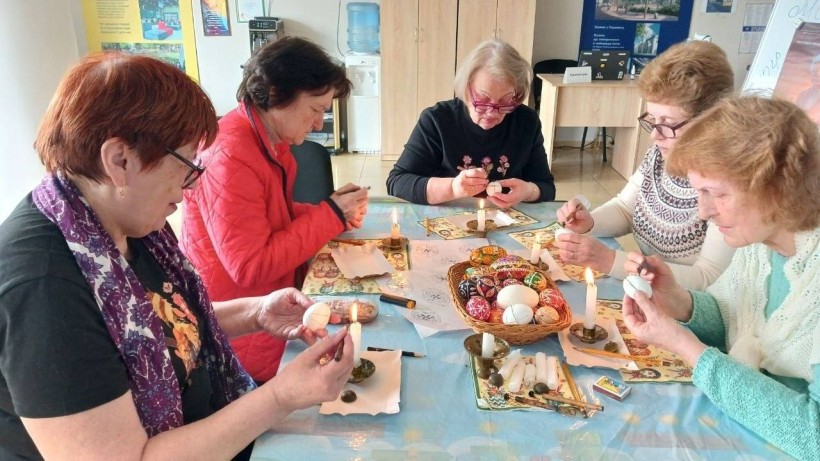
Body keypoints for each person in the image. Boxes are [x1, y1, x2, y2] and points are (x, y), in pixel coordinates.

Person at [0, 53, 353, 460]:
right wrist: (281, 396)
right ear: (120, 161)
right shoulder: (44, 289)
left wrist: (256, 313)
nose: (189, 188)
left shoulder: (121, 220)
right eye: (186, 164)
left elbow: (162, 328)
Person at [622, 97, 820, 460]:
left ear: (775, 187)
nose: (703, 211)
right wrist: (679, 302)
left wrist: (687, 348)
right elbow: (734, 316)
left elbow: (814, 435)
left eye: (716, 194)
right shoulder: (760, 244)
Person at [182, 37, 368, 383]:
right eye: (315, 110)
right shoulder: (231, 154)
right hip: (242, 327)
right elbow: (251, 266)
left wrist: (331, 213)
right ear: (277, 94)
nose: (318, 124)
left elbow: (271, 214)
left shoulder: (270, 137)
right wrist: (329, 214)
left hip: (274, 301)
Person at [555, 41, 735, 289]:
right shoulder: (661, 154)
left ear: (710, 121)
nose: (655, 135)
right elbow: (625, 210)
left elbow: (707, 279)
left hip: (687, 305)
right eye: (652, 119)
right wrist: (591, 222)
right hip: (647, 287)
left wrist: (612, 261)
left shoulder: (727, 182)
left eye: (668, 122)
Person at [386, 38, 556, 207]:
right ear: (466, 88)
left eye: (504, 102)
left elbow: (546, 187)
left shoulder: (526, 122)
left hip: (505, 222)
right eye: (483, 100)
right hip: (446, 222)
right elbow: (397, 183)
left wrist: (528, 191)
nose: (492, 113)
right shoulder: (437, 120)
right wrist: (452, 188)